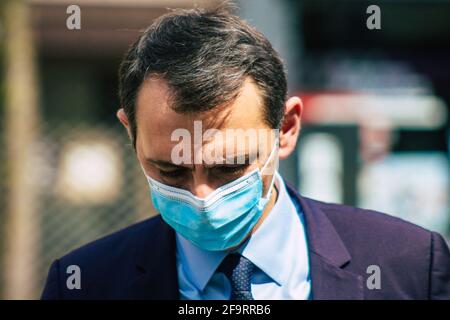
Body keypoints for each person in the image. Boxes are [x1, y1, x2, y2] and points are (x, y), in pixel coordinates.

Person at [41, 5, 450, 300]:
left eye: (229, 169)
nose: (202, 198)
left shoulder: (409, 266)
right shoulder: (85, 283)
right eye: (170, 171)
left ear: (286, 129)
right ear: (130, 133)